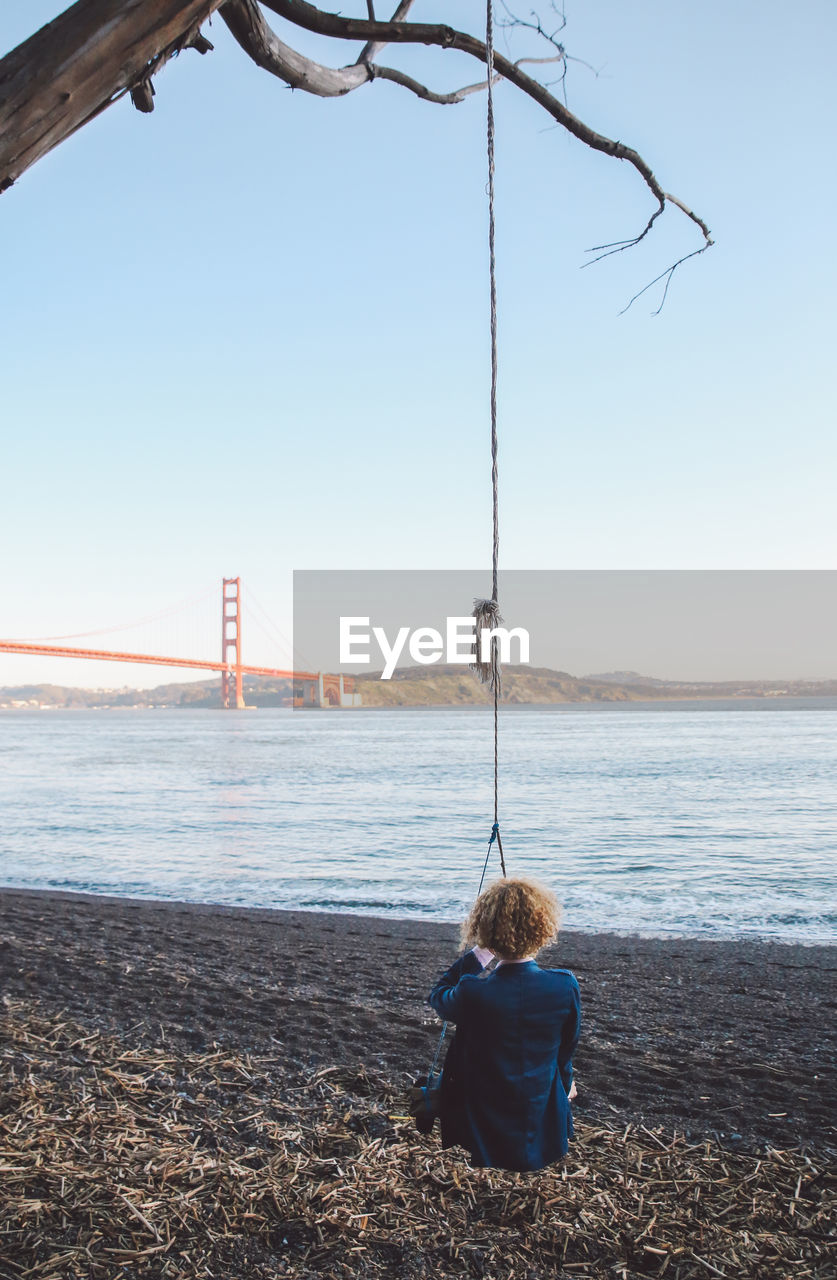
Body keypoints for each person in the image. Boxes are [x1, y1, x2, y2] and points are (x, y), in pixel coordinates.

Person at [428, 877, 580, 1172]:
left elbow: (438, 996)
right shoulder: (564, 985)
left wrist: (479, 955)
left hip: (485, 1109)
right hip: (539, 1103)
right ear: (543, 928)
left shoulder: (473, 991)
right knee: (558, 1076)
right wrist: (565, 1083)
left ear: (483, 931)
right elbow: (566, 1049)